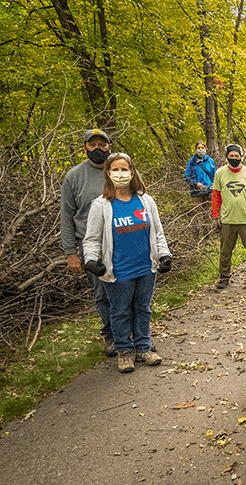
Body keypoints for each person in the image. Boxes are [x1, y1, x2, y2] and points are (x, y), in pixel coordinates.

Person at [82, 153, 172, 373]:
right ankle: (124, 350)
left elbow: (157, 232)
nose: (120, 174)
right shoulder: (101, 205)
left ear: (132, 173)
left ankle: (143, 347)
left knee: (143, 308)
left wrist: (164, 255)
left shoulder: (145, 201)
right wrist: (91, 261)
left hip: (145, 266)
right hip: (118, 270)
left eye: (125, 169)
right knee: (120, 311)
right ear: (108, 173)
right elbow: (92, 239)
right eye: (116, 170)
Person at [61, 128, 115, 357]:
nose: (98, 149)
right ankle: (111, 336)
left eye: (102, 145)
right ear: (84, 147)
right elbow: (66, 215)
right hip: (91, 245)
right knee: (101, 292)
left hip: (123, 239)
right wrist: (71, 252)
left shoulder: (119, 169)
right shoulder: (74, 176)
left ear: (109, 147)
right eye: (92, 144)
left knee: (126, 288)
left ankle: (132, 332)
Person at [211, 144, 246, 289]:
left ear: (241, 156)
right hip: (227, 219)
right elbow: (216, 196)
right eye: (231, 156)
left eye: (237, 155)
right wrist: (215, 216)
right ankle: (224, 277)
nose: (234, 158)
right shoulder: (220, 173)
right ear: (227, 156)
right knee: (225, 251)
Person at [184, 141, 216, 216]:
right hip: (196, 192)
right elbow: (187, 177)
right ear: (196, 149)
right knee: (199, 215)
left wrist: (213, 186)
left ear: (205, 149)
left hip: (208, 191)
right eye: (199, 148)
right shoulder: (191, 162)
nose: (201, 150)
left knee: (209, 214)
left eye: (202, 148)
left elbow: (215, 176)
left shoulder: (211, 162)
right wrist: (196, 183)